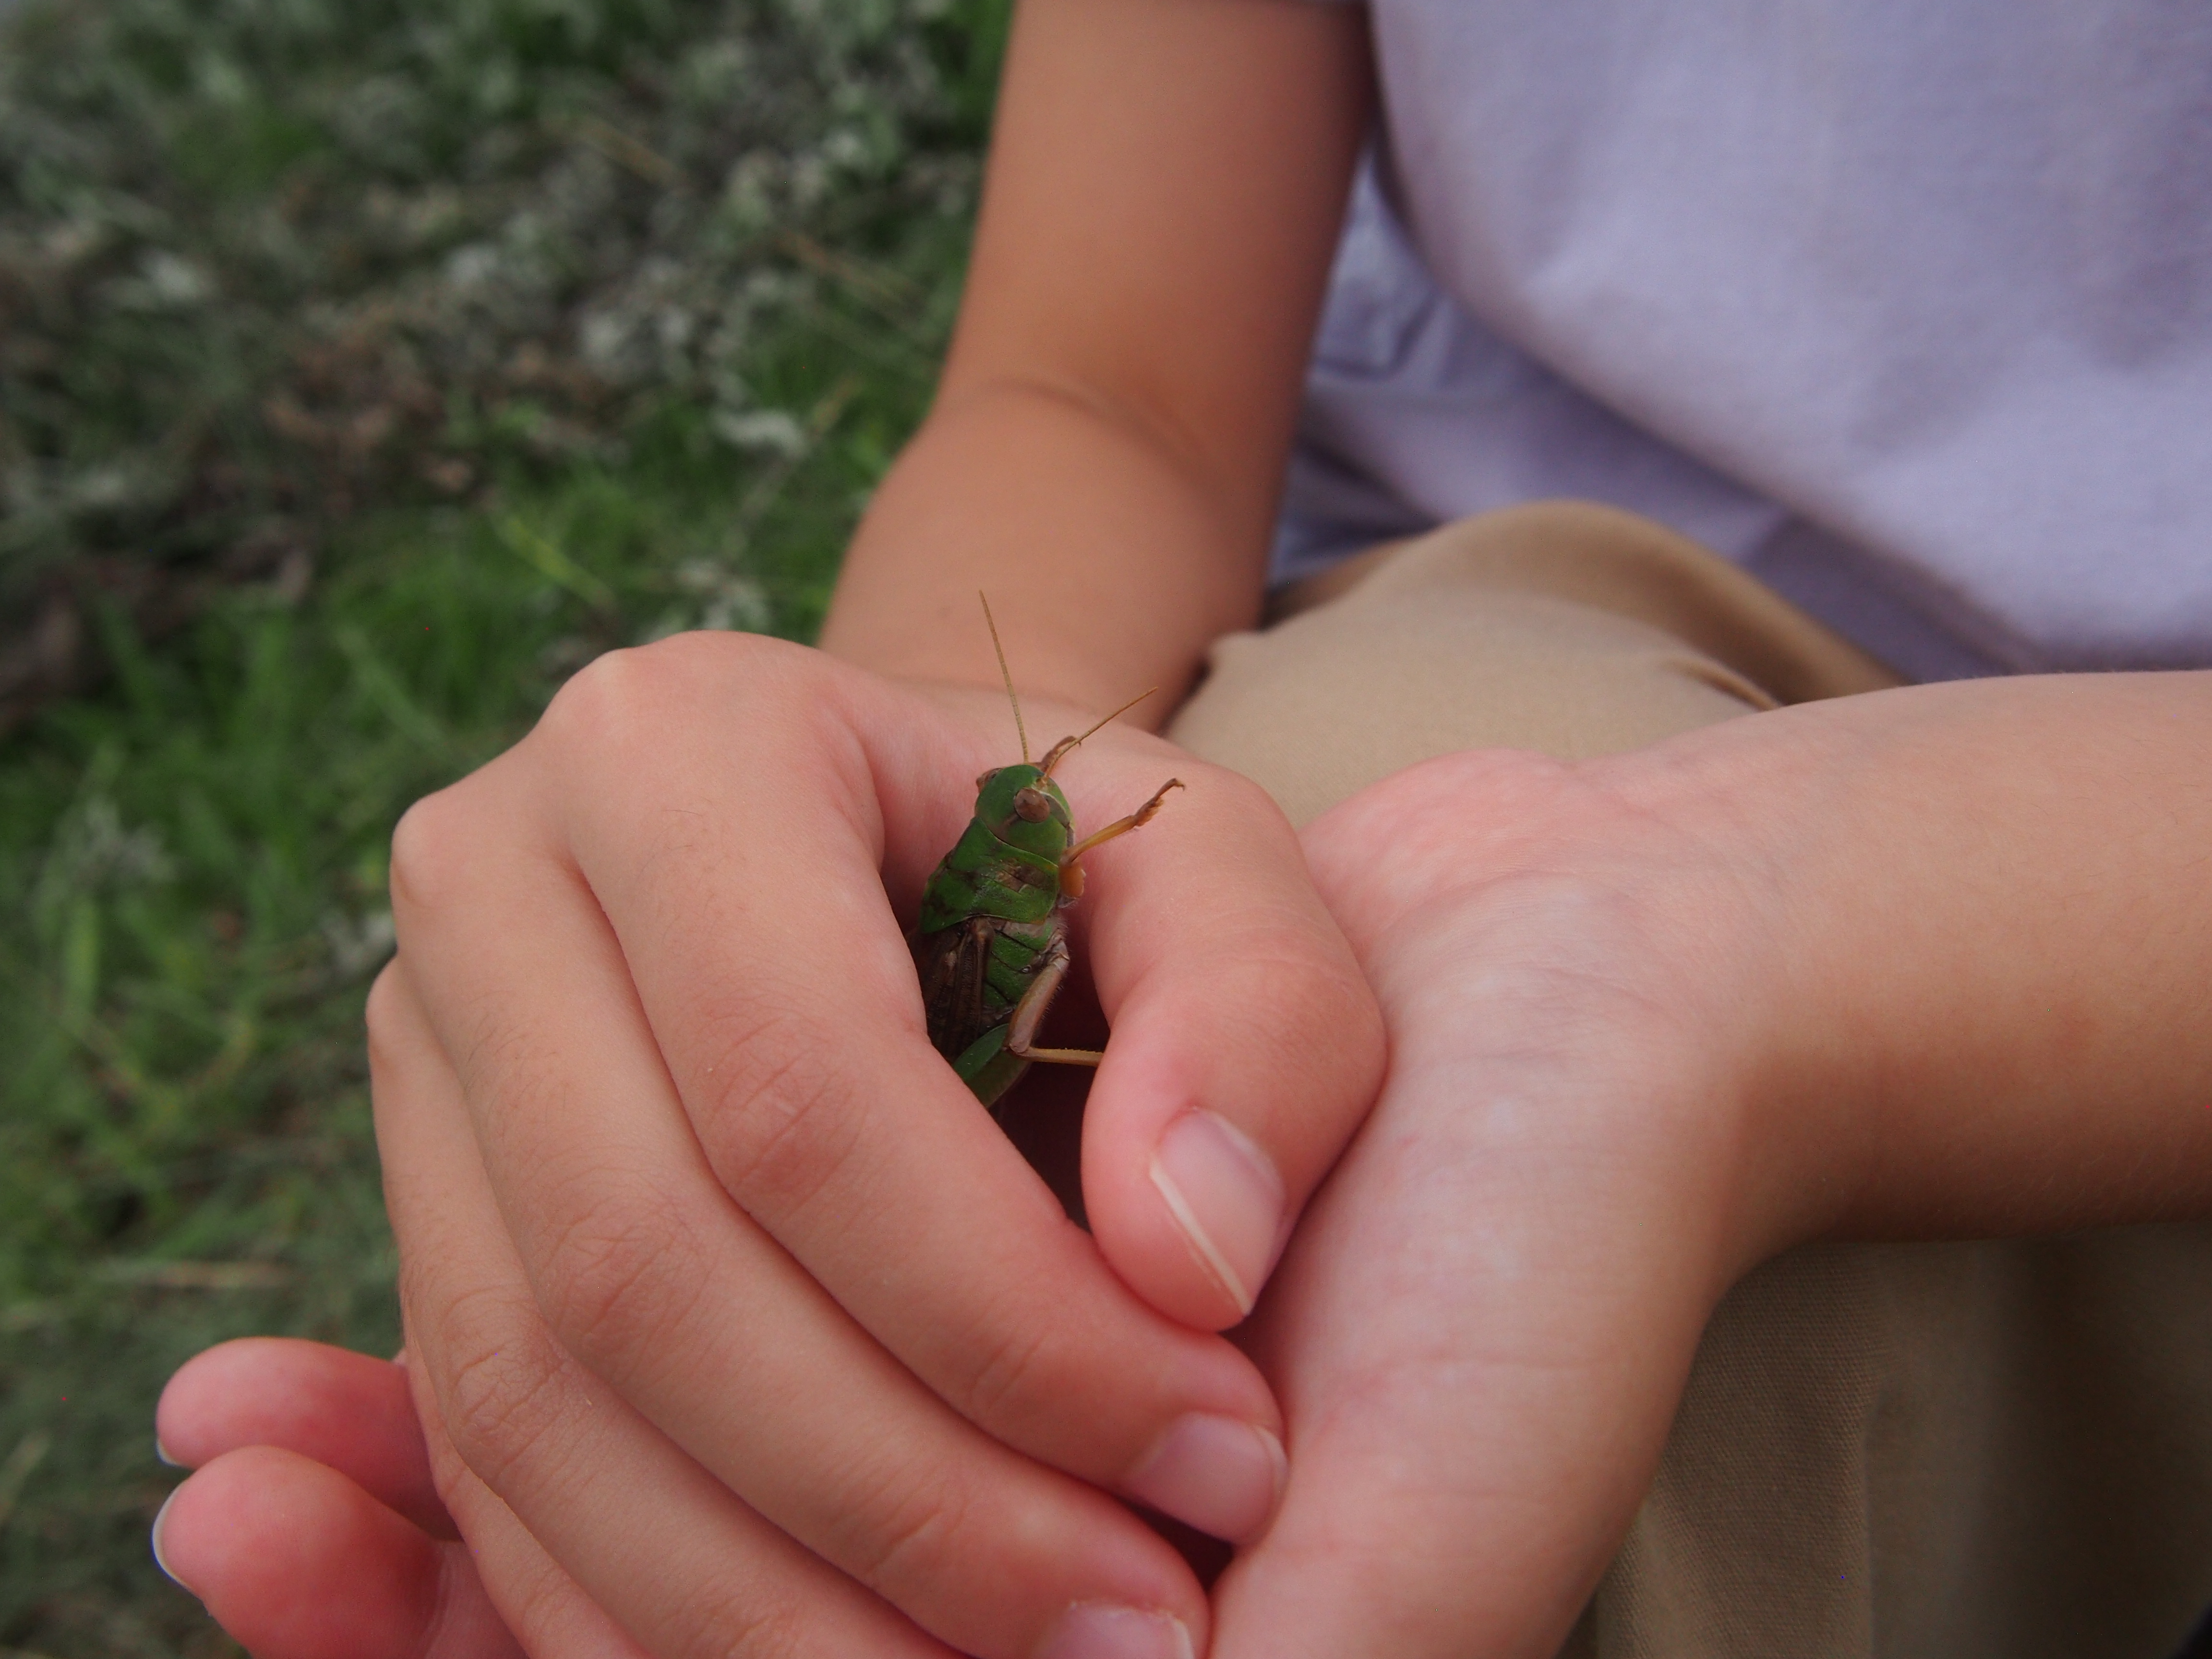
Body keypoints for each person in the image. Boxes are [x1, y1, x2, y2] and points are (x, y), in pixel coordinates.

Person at [146, 0, 2212, 1655]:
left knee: (1370, 1221)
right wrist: (837, 831)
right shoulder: (1070, 837)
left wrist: (1764, 960)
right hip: (1451, 631)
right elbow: (1096, 385)